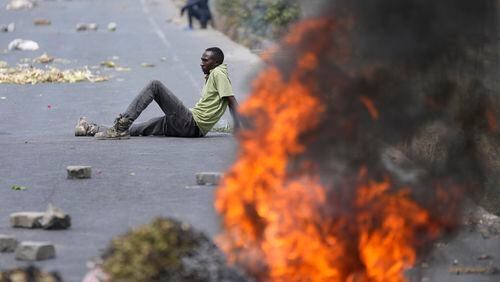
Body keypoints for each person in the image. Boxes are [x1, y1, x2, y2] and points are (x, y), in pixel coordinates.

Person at [75, 47, 241, 139]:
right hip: (188, 125)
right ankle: (90, 128)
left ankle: (120, 126)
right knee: (137, 130)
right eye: (201, 59)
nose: (201, 63)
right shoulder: (213, 74)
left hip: (190, 124)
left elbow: (231, 100)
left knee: (155, 86)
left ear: (217, 62)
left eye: (205, 60)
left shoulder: (219, 72)